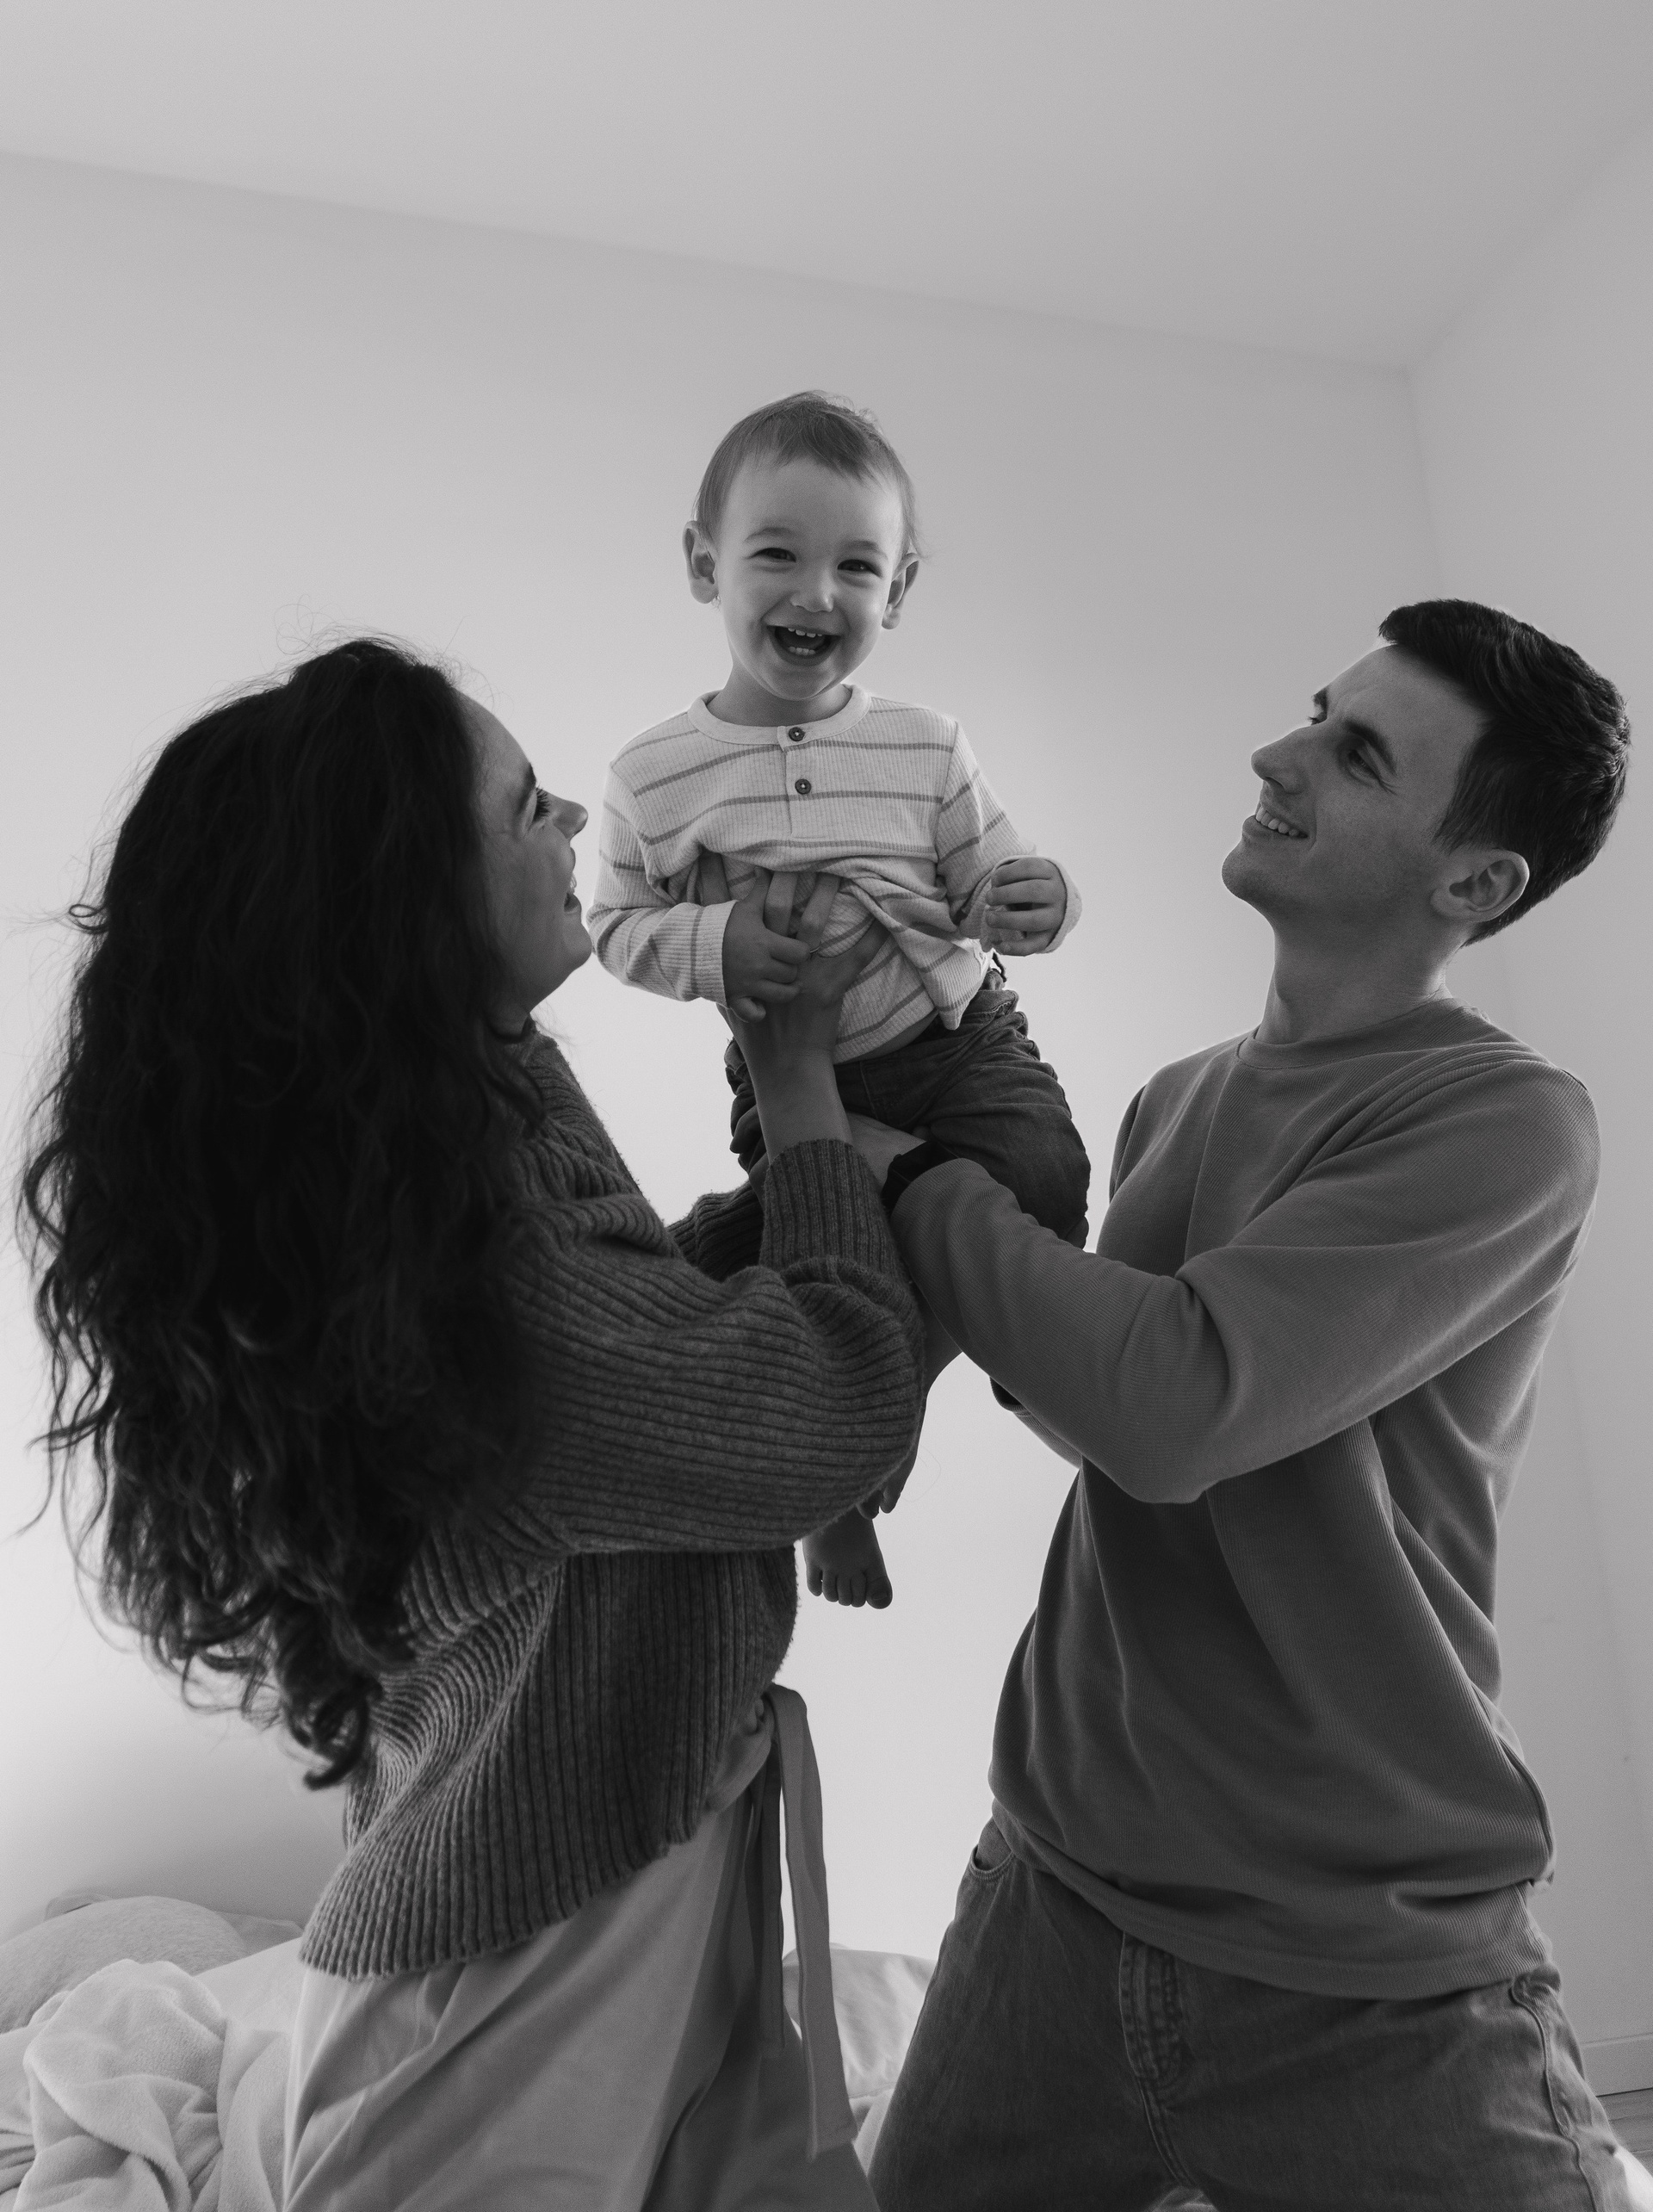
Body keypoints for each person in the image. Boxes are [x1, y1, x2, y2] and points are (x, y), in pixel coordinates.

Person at [18, 637, 926, 2212]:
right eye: (523, 807)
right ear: (404, 909)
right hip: (514, 1982)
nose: (571, 818)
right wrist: (799, 1098)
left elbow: (635, 1326)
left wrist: (795, 1191)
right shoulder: (484, 1272)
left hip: (550, 1899)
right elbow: (826, 1407)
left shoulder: (432, 1157)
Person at [851, 599, 1638, 2210]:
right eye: (1314, 715)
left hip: (1364, 1966)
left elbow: (1172, 1408)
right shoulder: (1181, 1096)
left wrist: (909, 1182)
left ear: (1477, 884)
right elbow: (1103, 1413)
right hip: (1053, 1896)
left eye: (1358, 756)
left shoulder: (1507, 1121)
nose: (1280, 756)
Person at [590, 389, 1090, 1608]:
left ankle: (888, 1431)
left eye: (857, 568)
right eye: (777, 555)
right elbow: (612, 928)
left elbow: (994, 876)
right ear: (704, 565)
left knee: (1046, 1185)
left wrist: (1040, 900)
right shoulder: (654, 775)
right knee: (832, 1268)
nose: (817, 594)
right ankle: (837, 1479)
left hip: (956, 1037)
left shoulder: (927, 744)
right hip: (794, 1074)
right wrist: (713, 942)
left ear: (897, 591)